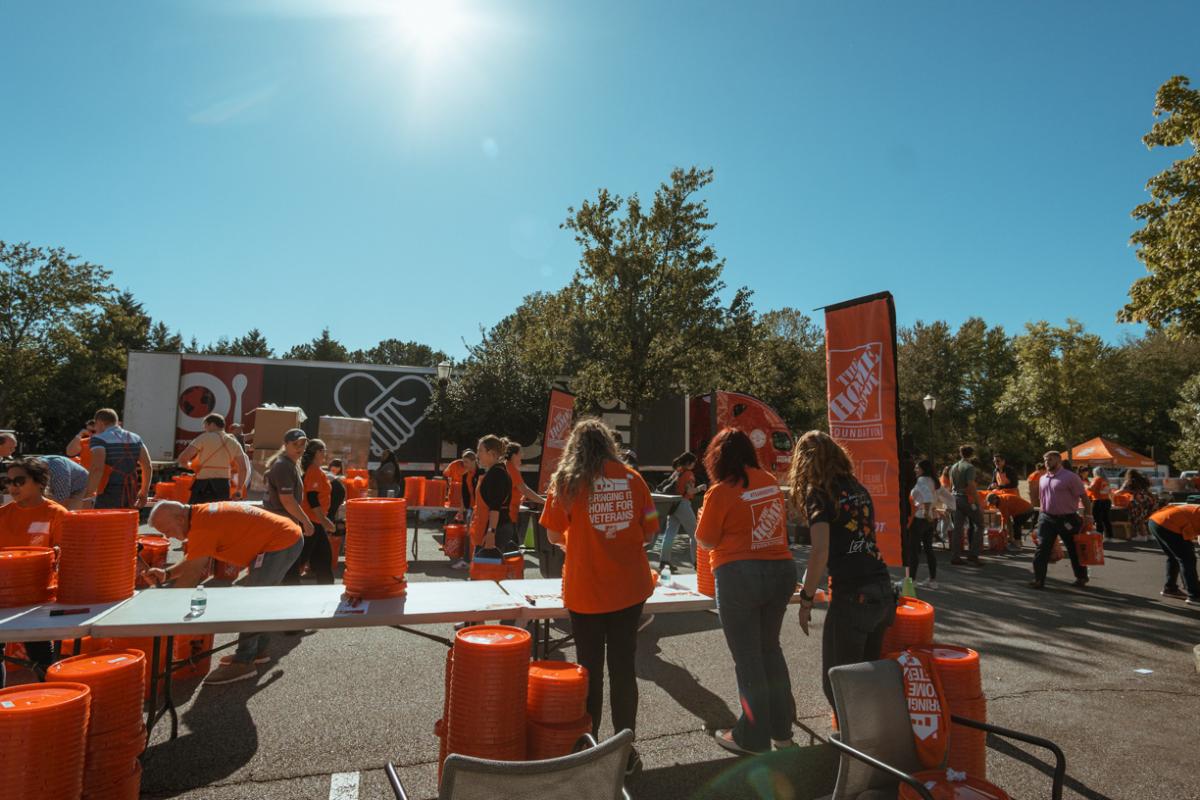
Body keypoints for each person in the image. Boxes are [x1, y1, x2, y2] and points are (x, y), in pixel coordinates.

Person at [539, 418, 659, 777]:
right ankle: (625, 750)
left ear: (574, 447)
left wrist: (580, 541)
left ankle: (588, 748)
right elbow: (651, 528)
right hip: (629, 589)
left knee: (589, 672)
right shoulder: (633, 479)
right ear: (609, 444)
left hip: (586, 590)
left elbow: (550, 534)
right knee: (624, 670)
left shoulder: (566, 483)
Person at [693, 428, 796, 755]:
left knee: (749, 658)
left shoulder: (720, 492)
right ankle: (782, 732)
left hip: (739, 575)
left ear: (716, 459)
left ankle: (752, 737)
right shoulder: (769, 481)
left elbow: (706, 540)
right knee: (770, 650)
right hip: (781, 571)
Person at [789, 431, 894, 711]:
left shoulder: (820, 494)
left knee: (837, 684)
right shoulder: (857, 487)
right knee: (866, 680)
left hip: (853, 598)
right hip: (882, 591)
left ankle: (854, 748)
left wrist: (806, 598)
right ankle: (873, 741)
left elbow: (820, 550)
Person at [145, 500, 303, 684]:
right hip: (282, 537)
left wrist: (167, 609)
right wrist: (166, 574)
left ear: (179, 518)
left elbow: (193, 572)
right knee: (260, 600)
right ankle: (257, 650)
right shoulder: (200, 516)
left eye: (166, 529)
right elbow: (194, 558)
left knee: (254, 601)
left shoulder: (202, 525)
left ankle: (244, 662)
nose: (167, 536)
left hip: (281, 541)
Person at [0, 458, 70, 686]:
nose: (12, 488)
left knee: (39, 651)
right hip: (3, 594)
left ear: (40, 482)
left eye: (19, 481)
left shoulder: (56, 514)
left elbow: (67, 557)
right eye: (8, 482)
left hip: (37, 597)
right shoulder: (3, 514)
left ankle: (53, 697)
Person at [1029, 451, 1093, 589]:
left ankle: (1081, 577)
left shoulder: (1071, 477)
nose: (1047, 462)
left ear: (1058, 460)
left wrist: (1089, 516)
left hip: (1067, 519)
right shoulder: (1043, 478)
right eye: (1045, 460)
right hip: (1046, 518)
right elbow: (1043, 500)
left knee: (1073, 549)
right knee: (1042, 548)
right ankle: (1038, 579)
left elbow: (1085, 499)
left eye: (1050, 459)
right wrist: (1039, 518)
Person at [284, 439, 336, 585]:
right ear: (318, 452)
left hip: (315, 521)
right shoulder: (313, 471)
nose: (325, 454)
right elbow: (312, 499)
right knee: (301, 557)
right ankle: (288, 584)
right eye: (324, 451)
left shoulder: (316, 471)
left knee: (322, 559)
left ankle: (325, 587)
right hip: (312, 521)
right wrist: (325, 521)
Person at [84, 409, 152, 510]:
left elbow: (97, 469)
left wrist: (88, 496)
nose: (96, 429)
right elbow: (147, 466)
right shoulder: (136, 438)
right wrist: (144, 492)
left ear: (100, 423)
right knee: (126, 523)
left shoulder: (99, 439)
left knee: (106, 524)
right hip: (130, 491)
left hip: (107, 492)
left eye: (95, 426)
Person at [176, 413, 251, 504]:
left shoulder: (204, 438)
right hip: (223, 486)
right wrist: (239, 489)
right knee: (217, 516)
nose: (205, 428)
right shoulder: (234, 442)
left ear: (212, 424)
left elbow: (182, 458)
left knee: (196, 515)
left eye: (205, 425)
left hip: (202, 485)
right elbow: (243, 468)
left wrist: (191, 466)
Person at [650, 452, 705, 571]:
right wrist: (700, 488)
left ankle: (664, 561)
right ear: (689, 463)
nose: (695, 464)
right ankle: (697, 562)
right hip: (683, 504)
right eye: (694, 462)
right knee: (695, 534)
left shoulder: (677, 472)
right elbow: (690, 491)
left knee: (670, 533)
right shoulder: (689, 474)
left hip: (672, 504)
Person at [262, 429, 316, 540]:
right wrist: (306, 521)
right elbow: (287, 501)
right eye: (295, 444)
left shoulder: (289, 464)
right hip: (279, 523)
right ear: (286, 445)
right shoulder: (284, 466)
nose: (299, 447)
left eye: (302, 444)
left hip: (282, 522)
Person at [472, 435, 516, 555]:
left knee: (487, 572)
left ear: (491, 453)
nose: (477, 455)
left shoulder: (497, 474)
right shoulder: (494, 472)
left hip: (496, 529)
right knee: (484, 571)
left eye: (480, 451)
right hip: (493, 528)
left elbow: (495, 507)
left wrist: (491, 532)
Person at [1147, 504, 1200, 604]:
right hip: (1167, 524)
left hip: (1156, 521)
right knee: (1187, 559)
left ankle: (1170, 588)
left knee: (1175, 557)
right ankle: (1194, 595)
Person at [948, 445, 984, 566]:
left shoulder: (953, 467)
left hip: (955, 497)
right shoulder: (969, 467)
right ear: (972, 454)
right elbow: (971, 486)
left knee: (957, 529)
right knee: (980, 524)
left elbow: (951, 484)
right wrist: (977, 502)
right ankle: (973, 554)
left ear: (960, 453)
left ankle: (955, 556)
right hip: (966, 498)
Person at [906, 459, 939, 588]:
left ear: (923, 469)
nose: (915, 470)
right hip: (930, 519)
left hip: (920, 518)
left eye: (917, 468)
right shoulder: (933, 481)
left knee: (913, 550)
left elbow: (927, 497)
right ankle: (933, 580)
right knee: (928, 549)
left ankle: (912, 580)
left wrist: (925, 512)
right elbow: (938, 496)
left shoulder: (921, 481)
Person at [445, 450, 478, 570]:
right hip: (471, 509)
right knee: (469, 536)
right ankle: (467, 561)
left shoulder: (482, 474)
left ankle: (476, 561)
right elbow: (464, 495)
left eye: (467, 462)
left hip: (480, 509)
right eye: (463, 462)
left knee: (477, 537)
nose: (464, 464)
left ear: (475, 461)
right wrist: (460, 510)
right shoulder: (465, 475)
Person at [505, 441, 545, 533]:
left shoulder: (508, 466)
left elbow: (518, 490)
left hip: (508, 515)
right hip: (509, 516)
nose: (522, 455)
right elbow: (525, 490)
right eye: (520, 453)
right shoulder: (511, 468)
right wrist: (544, 502)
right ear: (514, 455)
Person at [1120, 469, 1157, 543]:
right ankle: (1150, 535)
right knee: (1147, 518)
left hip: (1139, 500)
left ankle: (1142, 536)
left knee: (1139, 518)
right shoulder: (1143, 479)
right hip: (1149, 499)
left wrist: (1114, 493)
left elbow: (1122, 490)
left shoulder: (1130, 480)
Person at [1086, 469, 1113, 539]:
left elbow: (1091, 488)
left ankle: (1100, 535)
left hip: (1098, 500)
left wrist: (1086, 486)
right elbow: (1110, 491)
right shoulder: (1106, 480)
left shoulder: (1097, 479)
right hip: (1107, 500)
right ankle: (1110, 536)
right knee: (1106, 519)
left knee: (1097, 519)